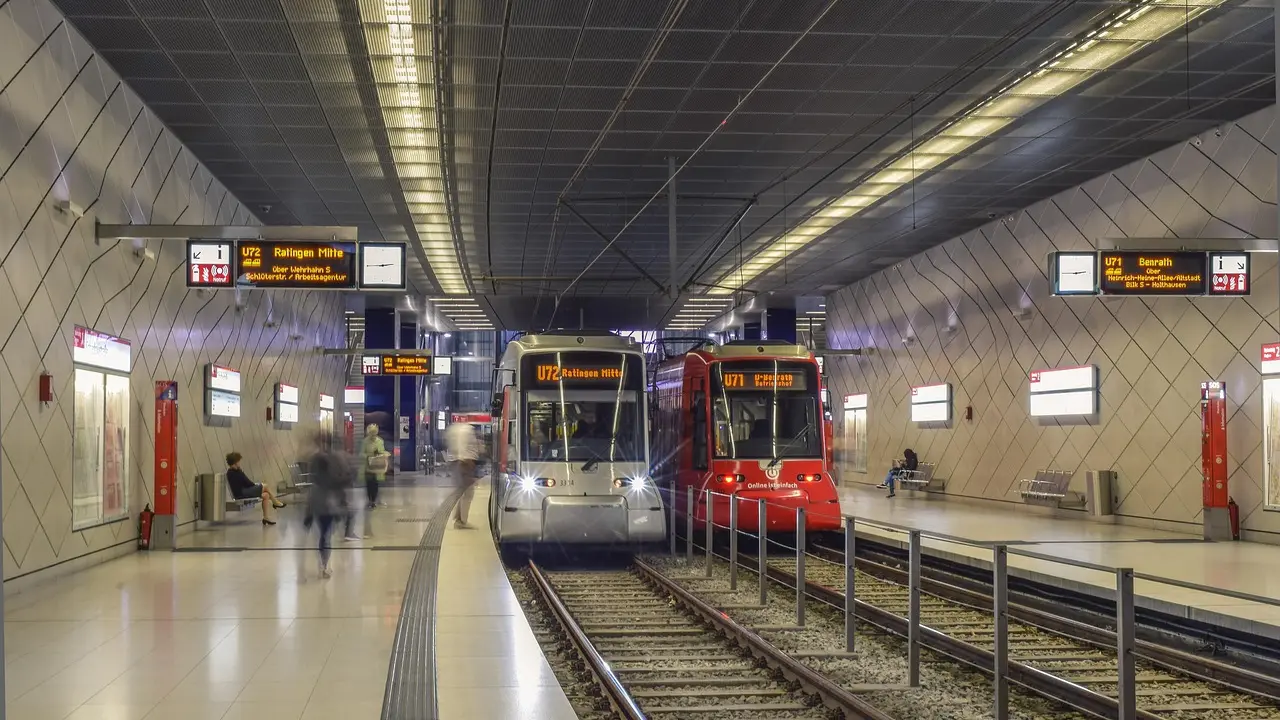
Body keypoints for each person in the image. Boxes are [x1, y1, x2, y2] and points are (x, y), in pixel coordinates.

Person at [304, 433, 349, 578]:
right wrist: (342, 502)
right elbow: (341, 480)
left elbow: (314, 482)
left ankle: (323, 563)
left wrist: (308, 513)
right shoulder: (335, 459)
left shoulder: (315, 459)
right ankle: (324, 564)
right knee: (326, 534)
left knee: (322, 534)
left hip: (317, 501)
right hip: (329, 502)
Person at [225, 452, 285, 525]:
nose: (239, 463)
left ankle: (266, 518)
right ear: (235, 462)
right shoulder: (234, 473)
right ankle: (275, 502)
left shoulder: (233, 472)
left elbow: (246, 483)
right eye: (238, 462)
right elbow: (247, 483)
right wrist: (255, 485)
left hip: (243, 491)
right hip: (241, 493)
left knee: (266, 495)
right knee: (265, 486)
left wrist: (255, 485)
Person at [445, 421, 479, 529]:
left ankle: (458, 519)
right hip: (464, 462)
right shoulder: (467, 430)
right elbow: (463, 446)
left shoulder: (453, 428)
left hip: (457, 462)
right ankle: (461, 521)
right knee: (468, 493)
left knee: (461, 491)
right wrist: (466, 461)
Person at [360, 424, 389, 509]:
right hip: (368, 467)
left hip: (377, 467)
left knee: (375, 485)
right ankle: (370, 500)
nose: (373, 436)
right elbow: (361, 454)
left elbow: (382, 451)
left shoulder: (380, 441)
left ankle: (373, 500)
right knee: (369, 484)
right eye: (371, 434)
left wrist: (381, 454)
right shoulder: (365, 442)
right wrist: (368, 456)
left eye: (374, 434)